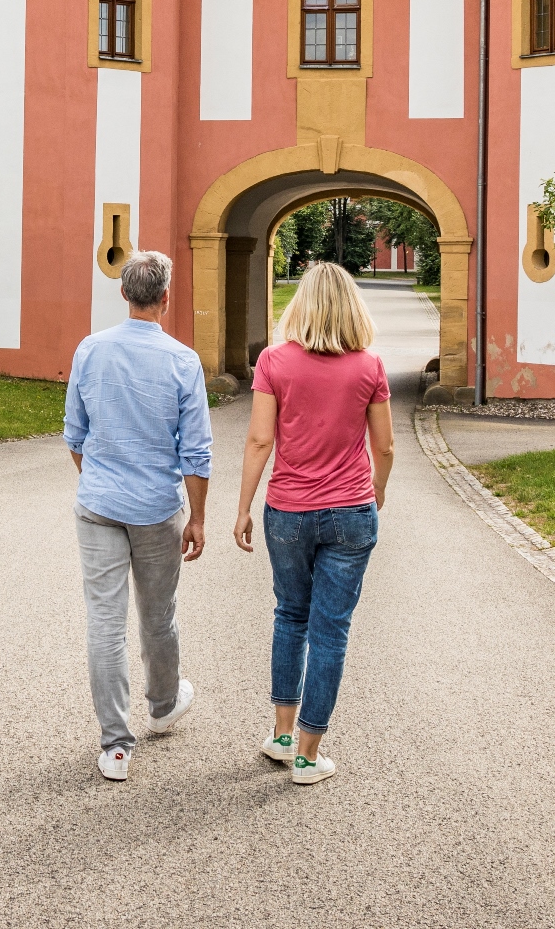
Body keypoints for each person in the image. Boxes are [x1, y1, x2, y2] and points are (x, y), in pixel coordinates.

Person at [231, 260, 394, 786]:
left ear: (301, 304)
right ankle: (308, 755)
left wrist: (242, 508)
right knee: (331, 631)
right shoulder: (369, 366)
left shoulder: (273, 362)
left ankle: (280, 735)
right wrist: (377, 492)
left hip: (289, 511)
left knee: (290, 616)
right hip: (350, 511)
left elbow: (260, 440)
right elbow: (385, 446)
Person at [65, 249, 213, 782]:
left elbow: (74, 435)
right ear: (166, 299)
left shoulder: (90, 350)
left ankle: (115, 747)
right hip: (156, 508)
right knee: (158, 616)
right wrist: (197, 517)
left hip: (98, 505)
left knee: (105, 624)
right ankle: (164, 705)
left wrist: (99, 479)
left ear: (124, 294)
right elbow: (196, 452)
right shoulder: (182, 360)